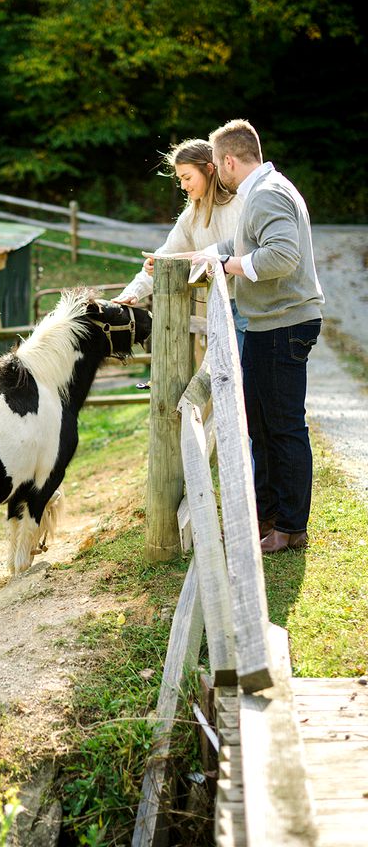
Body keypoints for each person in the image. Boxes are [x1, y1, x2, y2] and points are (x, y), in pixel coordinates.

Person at [188, 118, 324, 553]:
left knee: (282, 427)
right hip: (272, 322)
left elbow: (281, 256)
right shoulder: (263, 191)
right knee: (263, 427)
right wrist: (202, 256)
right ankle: (265, 518)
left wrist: (227, 268)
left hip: (283, 324)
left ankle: (290, 527)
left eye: (216, 164)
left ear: (229, 161)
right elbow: (245, 245)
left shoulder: (266, 195)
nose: (215, 173)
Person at [113, 138, 248, 357]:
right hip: (218, 312)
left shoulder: (239, 206)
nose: (184, 186)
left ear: (209, 169)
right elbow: (165, 256)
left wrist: (181, 264)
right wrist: (132, 293)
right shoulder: (191, 216)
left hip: (247, 309)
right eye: (180, 179)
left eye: (187, 177)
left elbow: (238, 258)